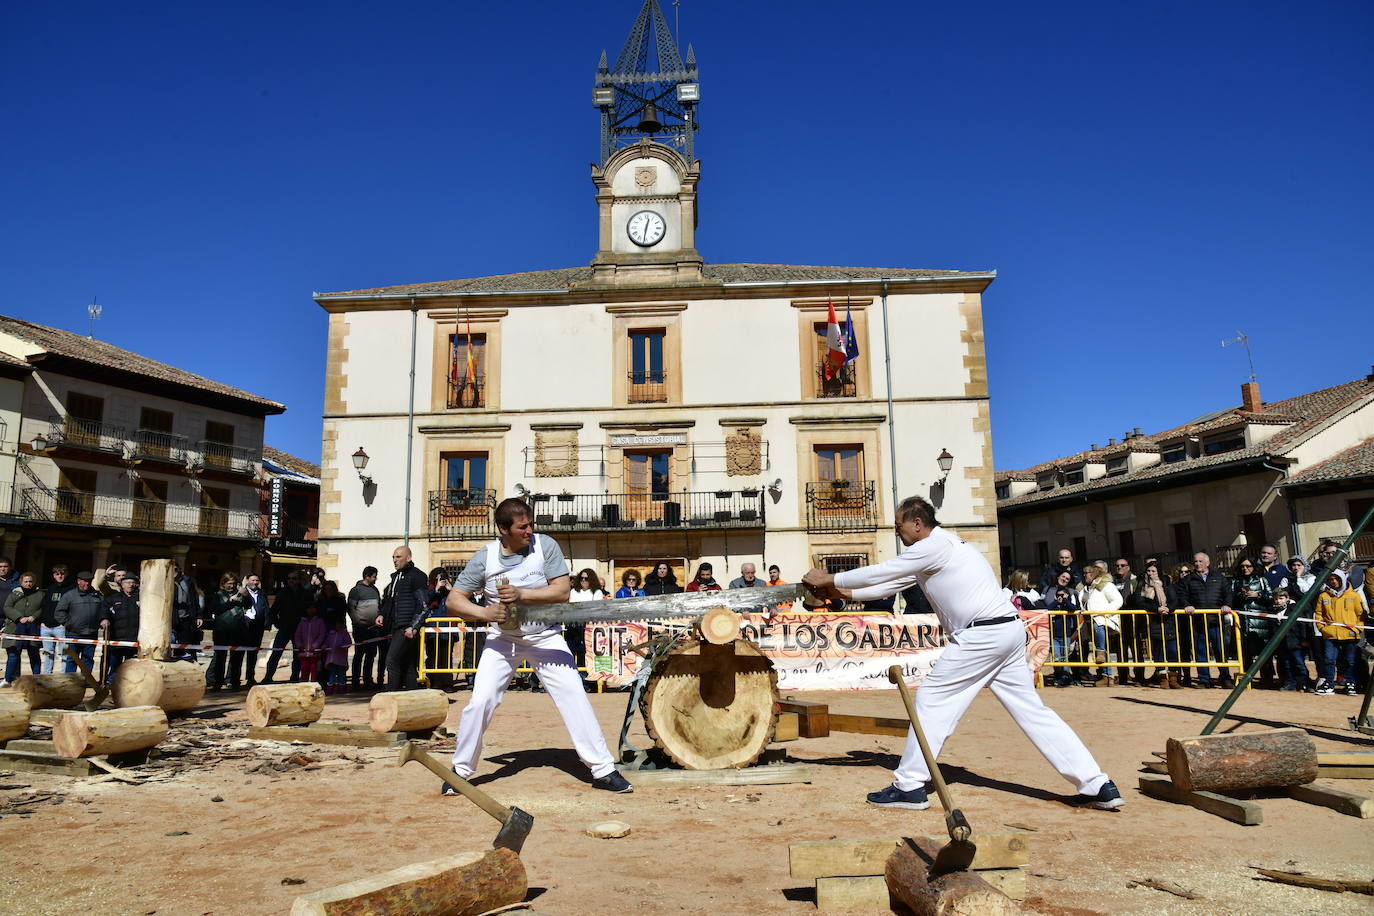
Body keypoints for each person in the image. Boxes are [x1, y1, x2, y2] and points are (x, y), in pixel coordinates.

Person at [802, 495, 1122, 811]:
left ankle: (910, 785)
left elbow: (884, 570)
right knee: (1033, 712)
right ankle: (1097, 784)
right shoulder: (939, 549)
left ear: (917, 523)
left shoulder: (934, 545)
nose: (896, 531)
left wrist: (829, 577)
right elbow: (886, 585)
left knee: (932, 700)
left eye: (899, 525)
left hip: (982, 635)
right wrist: (839, 591)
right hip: (1005, 632)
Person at [444, 498, 630, 794]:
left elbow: (561, 590)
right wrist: (484, 613)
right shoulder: (486, 557)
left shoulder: (545, 546)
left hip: (546, 637)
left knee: (574, 695)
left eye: (531, 524)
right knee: (480, 702)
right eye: (523, 527)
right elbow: (454, 599)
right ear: (504, 529)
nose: (530, 530)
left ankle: (603, 769)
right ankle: (460, 771)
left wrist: (521, 593)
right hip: (502, 640)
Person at [376, 545, 431, 691]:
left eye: (398, 557)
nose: (394, 560)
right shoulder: (395, 578)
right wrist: (381, 614)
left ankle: (391, 696)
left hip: (406, 627)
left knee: (392, 661)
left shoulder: (417, 576)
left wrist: (413, 627)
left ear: (409, 558)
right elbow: (390, 601)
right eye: (393, 557)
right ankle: (412, 701)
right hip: (395, 626)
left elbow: (423, 605)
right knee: (408, 664)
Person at [1179, 552, 1235, 688]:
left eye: (1200, 561)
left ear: (1207, 563)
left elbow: (1228, 593)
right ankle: (1204, 680)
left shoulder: (1218, 577)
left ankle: (1225, 678)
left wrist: (1227, 605)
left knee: (1220, 651)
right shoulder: (1189, 579)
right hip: (1198, 621)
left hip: (1216, 620)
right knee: (1201, 651)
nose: (1197, 564)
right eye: (1196, 562)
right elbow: (1183, 595)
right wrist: (1187, 605)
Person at [1313, 570, 1363, 695]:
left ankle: (1350, 683)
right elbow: (1319, 614)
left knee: (1350, 660)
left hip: (1350, 633)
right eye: (1330, 579)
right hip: (1331, 634)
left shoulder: (1354, 596)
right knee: (1329, 659)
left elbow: (1361, 615)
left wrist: (1357, 629)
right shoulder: (1323, 596)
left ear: (1342, 579)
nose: (1333, 581)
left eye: (1336, 579)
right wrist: (1322, 628)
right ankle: (1329, 683)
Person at [1231, 557, 1275, 687]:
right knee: (1245, 653)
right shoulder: (1235, 581)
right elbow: (1231, 598)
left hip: (1261, 621)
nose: (1245, 568)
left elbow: (1271, 597)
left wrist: (1258, 595)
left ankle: (1267, 679)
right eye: (1243, 566)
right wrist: (1240, 595)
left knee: (1264, 653)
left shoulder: (1262, 580)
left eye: (1248, 566)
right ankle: (1246, 679)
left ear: (1254, 567)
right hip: (1243, 622)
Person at [1135, 561, 1179, 688]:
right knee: (1158, 651)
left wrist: (1168, 609)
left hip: (1168, 620)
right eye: (1148, 571)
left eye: (1153, 571)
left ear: (1158, 571)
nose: (1150, 574)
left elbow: (1174, 600)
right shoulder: (1142, 584)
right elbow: (1140, 602)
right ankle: (1162, 678)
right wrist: (1156, 609)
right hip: (1153, 621)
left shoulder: (1166, 582)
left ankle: (1173, 678)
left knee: (1172, 650)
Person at [1077, 565, 1123, 684]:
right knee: (1100, 645)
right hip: (1089, 622)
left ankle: (1106, 671)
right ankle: (1106, 676)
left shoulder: (1106, 586)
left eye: (1087, 573)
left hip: (1103, 621)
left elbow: (1118, 600)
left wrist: (1104, 613)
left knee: (1101, 646)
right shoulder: (1084, 589)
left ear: (1094, 574)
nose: (1085, 575)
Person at [263, 571, 310, 684]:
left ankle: (294, 677)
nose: (291, 580)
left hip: (300, 630)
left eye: (293, 578)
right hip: (284, 629)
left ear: (298, 580)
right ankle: (268, 677)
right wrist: (278, 624)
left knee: (298, 655)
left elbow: (310, 610)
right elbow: (273, 612)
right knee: (276, 653)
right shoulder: (282, 594)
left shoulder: (306, 594)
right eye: (289, 578)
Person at [207, 573, 252, 690]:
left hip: (238, 630)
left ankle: (233, 680)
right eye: (229, 584)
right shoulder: (217, 595)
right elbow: (216, 609)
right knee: (220, 657)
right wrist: (230, 602)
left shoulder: (240, 594)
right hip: (221, 630)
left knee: (236, 658)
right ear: (223, 584)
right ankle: (217, 682)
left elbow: (248, 605)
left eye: (233, 584)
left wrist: (246, 595)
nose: (231, 586)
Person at [55, 571, 105, 674]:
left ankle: (86, 682)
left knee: (88, 660)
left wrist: (102, 620)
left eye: (89, 581)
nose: (87, 583)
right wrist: (70, 624)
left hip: (91, 634)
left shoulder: (97, 595)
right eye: (85, 581)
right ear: (78, 581)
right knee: (72, 659)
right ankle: (71, 683)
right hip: (74, 634)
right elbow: (59, 613)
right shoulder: (69, 595)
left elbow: (103, 610)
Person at [1044, 570, 1084, 687]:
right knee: (1057, 657)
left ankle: (1066, 676)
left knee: (1065, 657)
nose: (1060, 597)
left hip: (1066, 635)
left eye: (1062, 595)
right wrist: (1056, 601)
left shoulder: (1067, 606)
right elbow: (1048, 608)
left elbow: (1073, 608)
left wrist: (1066, 600)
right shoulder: (1055, 605)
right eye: (1058, 595)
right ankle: (1059, 676)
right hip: (1054, 636)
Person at [4, 572, 43, 685]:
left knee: (34, 654)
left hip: (33, 627)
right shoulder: (15, 594)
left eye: (30, 581)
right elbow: (7, 607)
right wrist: (18, 617)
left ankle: (36, 679)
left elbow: (42, 608)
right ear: (21, 582)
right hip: (15, 627)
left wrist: (34, 617)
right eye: (26, 581)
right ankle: (9, 679)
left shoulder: (40, 594)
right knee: (13, 654)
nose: (28, 584)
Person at [347, 566, 383, 689]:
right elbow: (351, 608)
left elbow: (379, 607)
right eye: (374, 576)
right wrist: (357, 622)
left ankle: (368, 680)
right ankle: (356, 681)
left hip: (374, 629)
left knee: (370, 655)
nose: (376, 578)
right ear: (367, 576)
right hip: (361, 629)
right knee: (359, 655)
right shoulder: (356, 591)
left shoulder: (375, 590)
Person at [101, 574, 141, 682]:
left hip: (134, 639)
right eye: (127, 583)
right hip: (117, 639)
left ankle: (128, 684)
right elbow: (104, 610)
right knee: (115, 664)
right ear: (122, 585)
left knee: (131, 666)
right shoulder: (114, 598)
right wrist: (104, 619)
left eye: (133, 582)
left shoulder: (141, 598)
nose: (130, 585)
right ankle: (111, 682)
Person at [1112, 559, 1145, 685]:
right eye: (1117, 565)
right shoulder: (1113, 581)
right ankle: (1123, 676)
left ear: (1128, 567)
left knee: (1136, 648)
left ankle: (1139, 677)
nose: (1119, 567)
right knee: (1121, 649)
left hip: (1133, 618)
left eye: (1122, 565)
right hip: (1118, 618)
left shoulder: (1134, 580)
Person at [39, 565, 74, 674]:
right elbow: (44, 606)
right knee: (48, 653)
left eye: (62, 573)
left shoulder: (71, 589)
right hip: (46, 626)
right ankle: (47, 675)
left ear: (66, 574)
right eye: (57, 574)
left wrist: (65, 622)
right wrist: (42, 622)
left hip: (61, 627)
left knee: (63, 653)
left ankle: (63, 677)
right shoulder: (50, 588)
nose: (60, 576)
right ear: (54, 575)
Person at [1271, 589, 1309, 691]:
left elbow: (1302, 625)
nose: (1278, 601)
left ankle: (1304, 683)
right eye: (1276, 599)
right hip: (1282, 643)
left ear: (1287, 599)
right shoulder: (1273, 611)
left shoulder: (1294, 608)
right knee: (1286, 664)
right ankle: (1290, 683)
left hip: (1295, 642)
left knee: (1299, 663)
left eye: (1281, 598)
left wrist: (1304, 639)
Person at [171, 562, 203, 663]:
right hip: (170, 618)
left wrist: (199, 616)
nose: (174, 572)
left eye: (175, 569)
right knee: (173, 646)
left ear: (179, 569)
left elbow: (194, 599)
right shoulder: (165, 581)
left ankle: (190, 664)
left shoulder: (188, 581)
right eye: (171, 569)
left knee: (188, 645)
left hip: (186, 618)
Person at [242, 573, 269, 687]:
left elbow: (266, 608)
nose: (255, 582)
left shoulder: (262, 593)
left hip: (258, 626)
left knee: (253, 653)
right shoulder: (242, 592)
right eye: (252, 580)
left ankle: (250, 677)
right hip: (244, 626)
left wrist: (267, 623)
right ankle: (232, 678)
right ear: (247, 581)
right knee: (239, 652)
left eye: (257, 580)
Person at [294, 603, 327, 685]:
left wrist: (315, 646)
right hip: (304, 653)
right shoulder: (302, 622)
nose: (311, 610)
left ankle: (314, 689)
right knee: (304, 671)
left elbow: (322, 635)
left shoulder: (320, 621)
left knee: (315, 672)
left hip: (315, 653)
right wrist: (299, 645)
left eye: (313, 608)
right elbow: (297, 635)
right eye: (309, 608)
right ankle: (303, 689)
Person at [323, 618, 351, 695]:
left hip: (341, 660)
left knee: (341, 675)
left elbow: (349, 643)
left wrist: (343, 646)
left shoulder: (345, 633)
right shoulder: (330, 634)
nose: (338, 626)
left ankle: (342, 690)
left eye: (340, 624)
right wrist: (324, 647)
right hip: (331, 660)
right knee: (331, 675)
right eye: (337, 624)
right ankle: (330, 690)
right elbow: (326, 643)